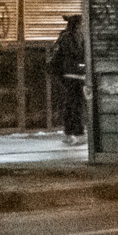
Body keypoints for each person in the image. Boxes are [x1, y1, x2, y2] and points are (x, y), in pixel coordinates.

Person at [47, 13, 86, 142]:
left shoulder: (64, 37)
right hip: (79, 75)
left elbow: (58, 55)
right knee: (77, 105)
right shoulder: (79, 37)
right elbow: (81, 53)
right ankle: (78, 131)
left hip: (67, 75)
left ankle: (70, 132)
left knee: (70, 105)